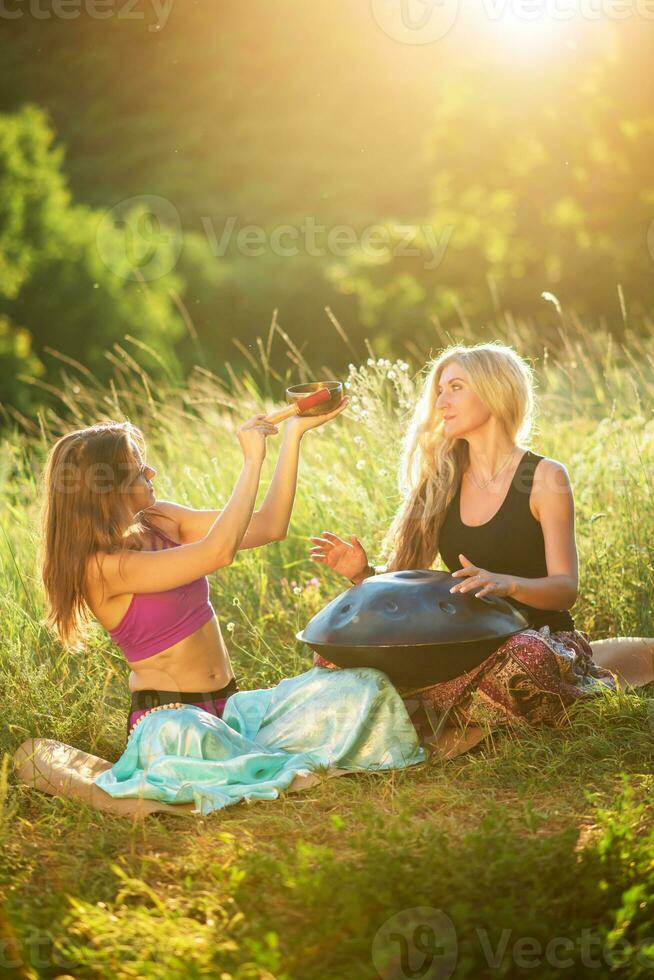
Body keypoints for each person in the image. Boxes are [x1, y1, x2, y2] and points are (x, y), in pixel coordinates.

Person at [36, 402, 427, 814]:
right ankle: (257, 764)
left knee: (362, 685)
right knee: (194, 735)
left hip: (231, 710)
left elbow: (269, 525)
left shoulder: (161, 520)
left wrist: (292, 436)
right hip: (172, 723)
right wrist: (251, 461)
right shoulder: (100, 568)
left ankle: (249, 761)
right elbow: (217, 552)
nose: (151, 473)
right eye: (138, 470)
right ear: (106, 489)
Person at [309, 343, 654, 757]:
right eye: (439, 390)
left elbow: (565, 589)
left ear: (494, 391)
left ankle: (415, 708)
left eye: (455, 387)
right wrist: (363, 574)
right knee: (331, 659)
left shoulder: (545, 477)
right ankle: (453, 708)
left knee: (528, 661)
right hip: (465, 645)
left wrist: (506, 585)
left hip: (533, 638)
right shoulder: (440, 479)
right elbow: (405, 587)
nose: (441, 401)